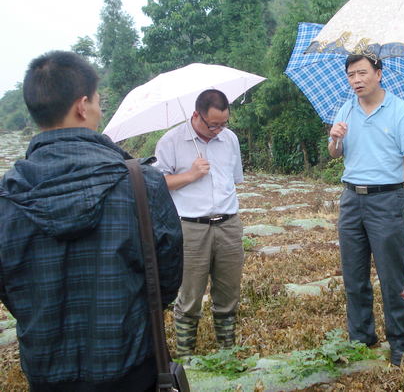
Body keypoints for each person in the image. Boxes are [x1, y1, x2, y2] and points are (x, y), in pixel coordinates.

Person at [0, 51, 183, 392]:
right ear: (83, 106)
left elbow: (7, 287)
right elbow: (167, 275)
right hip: (131, 365)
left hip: (45, 371)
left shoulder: (6, 196)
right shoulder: (141, 181)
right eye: (99, 101)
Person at [329, 54, 404, 365]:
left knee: (392, 276)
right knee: (354, 277)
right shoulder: (346, 109)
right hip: (351, 199)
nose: (356, 80)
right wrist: (334, 139)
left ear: (379, 74)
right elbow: (335, 154)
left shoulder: (399, 110)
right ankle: (361, 339)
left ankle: (400, 344)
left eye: (362, 73)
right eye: (350, 75)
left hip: (386, 199)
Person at [154, 89, 244, 360]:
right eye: (213, 124)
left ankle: (227, 355)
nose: (218, 129)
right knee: (190, 296)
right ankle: (186, 359)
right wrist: (190, 175)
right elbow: (157, 185)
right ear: (196, 115)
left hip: (228, 225)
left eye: (224, 123)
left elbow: (235, 179)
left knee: (228, 295)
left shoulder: (229, 140)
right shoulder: (171, 141)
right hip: (191, 228)